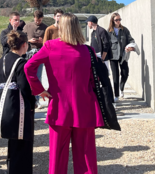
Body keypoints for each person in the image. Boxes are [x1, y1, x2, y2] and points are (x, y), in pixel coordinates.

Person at [24, 13, 104, 174]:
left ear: (61, 27)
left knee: (57, 156)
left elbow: (28, 67)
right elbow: (96, 77)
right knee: (86, 157)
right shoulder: (88, 50)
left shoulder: (50, 46)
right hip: (84, 107)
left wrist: (40, 90)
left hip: (59, 107)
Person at [0, 31, 36, 174]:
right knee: (23, 144)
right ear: (25, 45)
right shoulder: (21, 63)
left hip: (6, 109)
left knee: (12, 142)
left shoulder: (0, 61)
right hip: (20, 109)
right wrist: (32, 104)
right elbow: (25, 89)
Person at [108, 13, 135, 101]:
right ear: (112, 20)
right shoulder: (109, 32)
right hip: (113, 57)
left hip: (123, 55)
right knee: (115, 76)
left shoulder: (124, 30)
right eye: (116, 20)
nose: (118, 21)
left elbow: (131, 40)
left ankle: (121, 88)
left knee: (125, 73)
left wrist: (130, 47)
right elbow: (106, 44)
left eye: (120, 19)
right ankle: (116, 95)